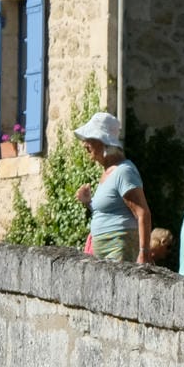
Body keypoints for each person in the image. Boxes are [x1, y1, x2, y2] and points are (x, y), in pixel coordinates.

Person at [71, 113, 151, 263]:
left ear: (104, 142)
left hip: (119, 245)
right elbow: (109, 210)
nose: (84, 144)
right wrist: (89, 202)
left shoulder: (124, 171)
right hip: (104, 247)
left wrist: (144, 253)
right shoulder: (108, 172)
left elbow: (142, 213)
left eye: (89, 139)